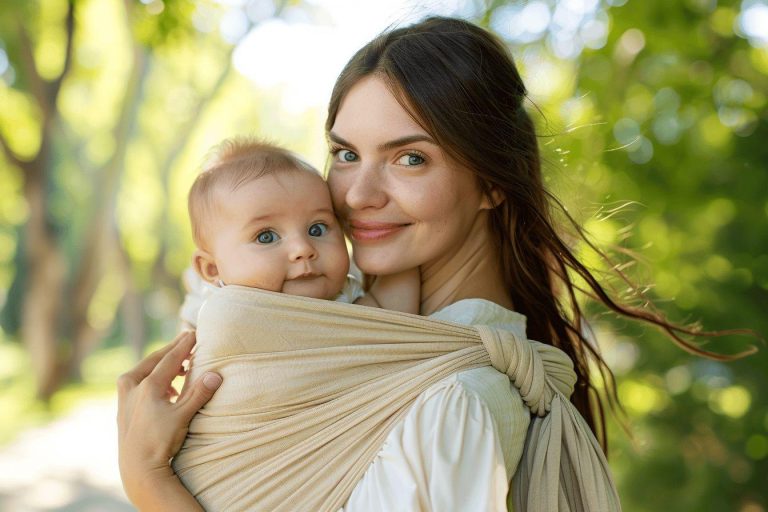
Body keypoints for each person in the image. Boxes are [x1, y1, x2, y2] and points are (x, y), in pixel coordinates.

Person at [117, 16, 742, 511]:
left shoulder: (456, 400)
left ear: (494, 182)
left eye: (410, 158)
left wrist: (150, 483)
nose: (357, 194)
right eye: (345, 153)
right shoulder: (360, 326)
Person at [180, 136, 419, 323]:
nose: (303, 249)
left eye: (317, 229)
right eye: (266, 237)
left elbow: (394, 317)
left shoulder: (346, 303)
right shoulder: (215, 312)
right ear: (212, 268)